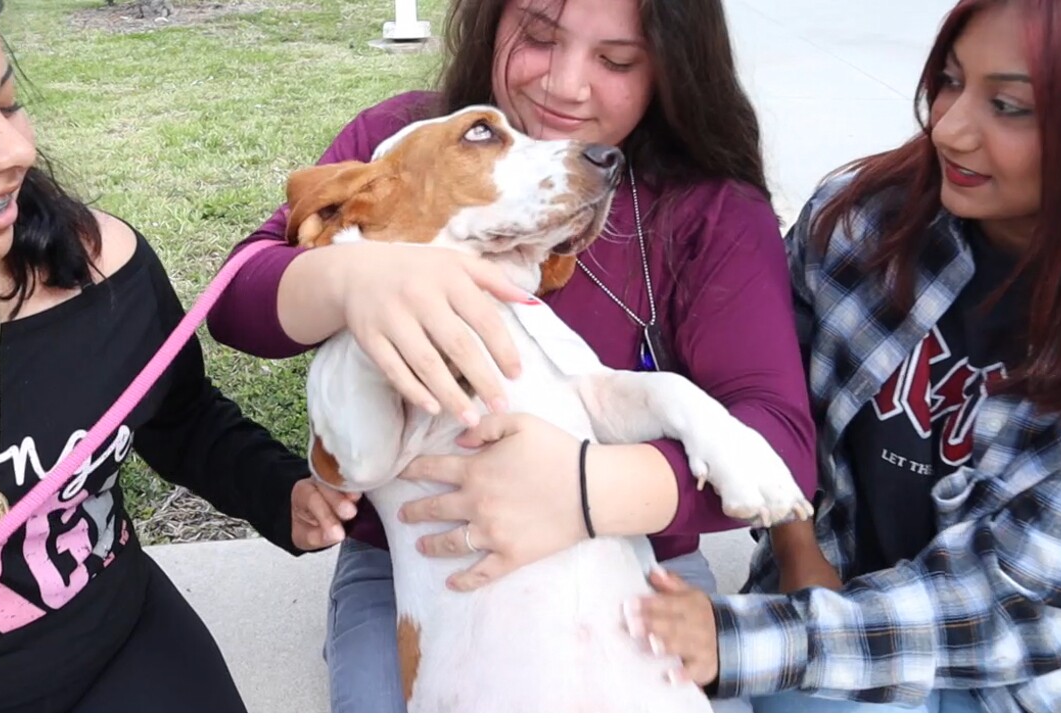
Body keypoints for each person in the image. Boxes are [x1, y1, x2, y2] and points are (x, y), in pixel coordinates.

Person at [209, 0, 818, 712]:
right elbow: (232, 300)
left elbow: (779, 442)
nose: (564, 84)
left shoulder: (709, 208)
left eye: (616, 60)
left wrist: (585, 489)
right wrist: (348, 278)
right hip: (419, 572)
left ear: (671, 69)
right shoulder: (403, 140)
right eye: (537, 36)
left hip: (640, 557)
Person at [0, 0, 356, 711]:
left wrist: (283, 494)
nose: (15, 151)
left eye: (9, 103)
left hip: (118, 643)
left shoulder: (102, 269)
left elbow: (180, 417)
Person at [632, 0, 1061, 712]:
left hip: (1000, 674)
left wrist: (745, 641)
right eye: (948, 80)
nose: (950, 128)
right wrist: (799, 557)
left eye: (1008, 106)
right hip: (813, 587)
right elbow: (767, 402)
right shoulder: (862, 220)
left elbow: (1015, 607)